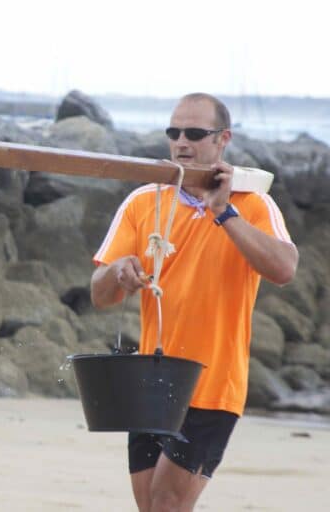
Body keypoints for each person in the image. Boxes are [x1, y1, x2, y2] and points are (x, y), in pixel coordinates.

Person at [90, 93, 298, 512]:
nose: (182, 142)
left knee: (166, 502)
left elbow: (284, 268)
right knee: (150, 505)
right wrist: (117, 273)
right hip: (151, 381)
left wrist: (224, 214)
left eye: (195, 133)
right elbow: (100, 295)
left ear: (223, 139)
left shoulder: (253, 203)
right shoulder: (144, 201)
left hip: (213, 385)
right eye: (174, 132)